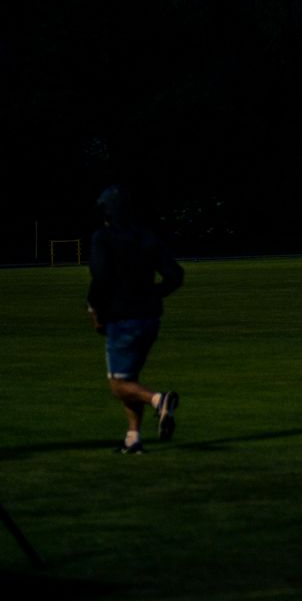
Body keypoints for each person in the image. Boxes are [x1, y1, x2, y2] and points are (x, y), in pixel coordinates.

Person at [86, 186, 183, 455]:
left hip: (122, 317)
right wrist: (152, 294)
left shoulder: (103, 237)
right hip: (151, 318)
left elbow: (101, 278)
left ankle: (159, 400)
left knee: (118, 385)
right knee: (130, 379)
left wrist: (94, 309)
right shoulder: (147, 237)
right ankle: (133, 438)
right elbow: (175, 275)